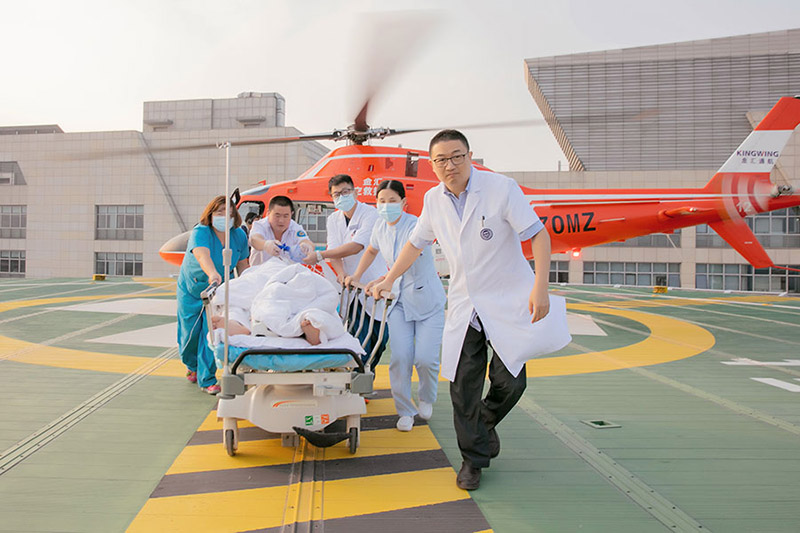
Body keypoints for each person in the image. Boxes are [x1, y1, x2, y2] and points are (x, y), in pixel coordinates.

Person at [370, 130, 553, 490]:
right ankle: (473, 460)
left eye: (456, 157)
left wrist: (540, 288)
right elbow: (414, 243)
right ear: (432, 164)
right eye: (441, 160)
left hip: (507, 299)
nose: (449, 165)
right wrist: (389, 279)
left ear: (470, 156)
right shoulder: (434, 199)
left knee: (512, 381)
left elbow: (538, 235)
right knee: (463, 385)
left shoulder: (501, 188)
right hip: (466, 303)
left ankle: (483, 423)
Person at [345, 180, 446, 432]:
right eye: (381, 201)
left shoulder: (415, 225)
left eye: (392, 201)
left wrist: (385, 279)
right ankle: (405, 410)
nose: (386, 206)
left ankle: (426, 397)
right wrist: (358, 276)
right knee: (400, 358)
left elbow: (409, 258)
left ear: (403, 202)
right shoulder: (380, 225)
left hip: (427, 302)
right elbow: (370, 251)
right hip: (399, 302)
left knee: (425, 359)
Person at [303, 174, 389, 369]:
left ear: (355, 192)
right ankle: (360, 375)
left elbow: (357, 246)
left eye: (345, 192)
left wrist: (319, 255)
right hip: (350, 286)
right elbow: (335, 250)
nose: (341, 197)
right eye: (336, 194)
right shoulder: (334, 219)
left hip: (371, 281)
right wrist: (340, 273)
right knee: (358, 333)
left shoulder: (370, 214)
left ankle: (365, 371)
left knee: (380, 337)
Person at [177, 195, 250, 395]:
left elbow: (243, 264)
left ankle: (207, 378)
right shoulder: (201, 232)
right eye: (219, 212)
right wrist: (212, 274)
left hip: (218, 291)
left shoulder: (239, 236)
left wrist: (248, 285)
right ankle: (191, 364)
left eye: (228, 212)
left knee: (210, 332)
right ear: (210, 215)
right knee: (189, 335)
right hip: (193, 288)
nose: (223, 216)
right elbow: (202, 255)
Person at [250, 196, 315, 266]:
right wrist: (265, 245)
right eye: (277, 216)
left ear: (291, 214)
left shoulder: (295, 228)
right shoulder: (260, 225)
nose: (281, 220)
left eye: (286, 216)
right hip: (260, 273)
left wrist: (307, 247)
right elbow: (254, 240)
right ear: (268, 213)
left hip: (287, 273)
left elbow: (306, 241)